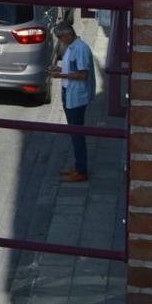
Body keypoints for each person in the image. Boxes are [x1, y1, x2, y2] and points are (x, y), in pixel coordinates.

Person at [48, 18, 95, 182]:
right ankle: (78, 166)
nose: (60, 41)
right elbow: (74, 69)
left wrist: (60, 75)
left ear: (68, 35)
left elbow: (83, 74)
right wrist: (60, 69)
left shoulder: (80, 49)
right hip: (69, 95)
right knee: (74, 134)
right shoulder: (71, 47)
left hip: (76, 97)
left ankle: (81, 170)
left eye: (61, 38)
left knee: (77, 135)